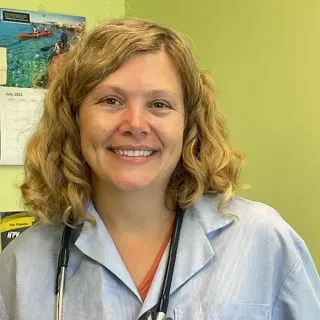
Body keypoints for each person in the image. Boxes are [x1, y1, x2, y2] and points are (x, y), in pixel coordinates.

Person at [0, 17, 319, 320]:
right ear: (73, 118)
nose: (135, 125)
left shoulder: (263, 241)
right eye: (111, 100)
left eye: (159, 104)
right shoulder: (22, 263)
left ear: (188, 124)